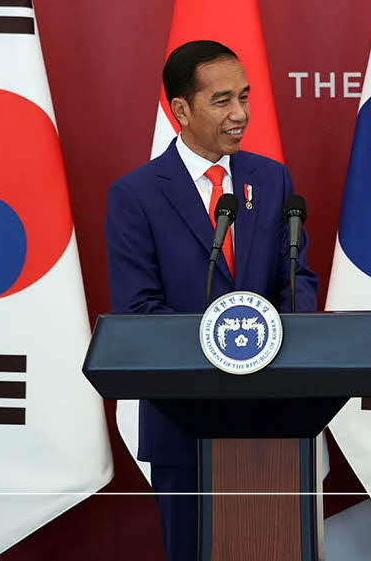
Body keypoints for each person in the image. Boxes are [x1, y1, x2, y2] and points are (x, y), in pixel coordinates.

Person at [105, 40, 319, 561]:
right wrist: (224, 351)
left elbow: (297, 279)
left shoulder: (271, 179)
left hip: (274, 417)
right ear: (181, 110)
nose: (240, 114)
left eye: (245, 97)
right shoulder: (135, 194)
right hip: (184, 420)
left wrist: (287, 340)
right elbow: (139, 310)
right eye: (222, 101)